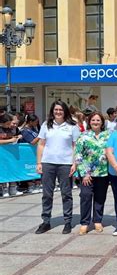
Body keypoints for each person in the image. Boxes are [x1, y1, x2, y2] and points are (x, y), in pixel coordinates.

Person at [35, 101, 80, 234]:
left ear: (65, 111)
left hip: (65, 164)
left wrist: (74, 163)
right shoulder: (46, 125)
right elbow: (41, 144)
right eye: (56, 110)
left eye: (61, 110)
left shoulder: (72, 126)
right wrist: (39, 163)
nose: (58, 112)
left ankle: (67, 222)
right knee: (47, 194)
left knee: (66, 193)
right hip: (48, 163)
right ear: (52, 111)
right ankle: (46, 221)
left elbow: (75, 146)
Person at [75, 112, 110, 235]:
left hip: (103, 172)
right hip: (87, 174)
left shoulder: (107, 135)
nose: (95, 122)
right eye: (93, 120)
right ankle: (84, 222)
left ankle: (97, 220)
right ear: (89, 122)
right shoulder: (83, 136)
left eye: (98, 120)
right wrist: (84, 173)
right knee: (85, 196)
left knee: (100, 197)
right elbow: (78, 155)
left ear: (102, 122)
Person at [0, 113, 24, 197]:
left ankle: (13, 188)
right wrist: (10, 140)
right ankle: (4, 190)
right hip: (2, 154)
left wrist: (18, 137)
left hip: (11, 154)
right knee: (3, 171)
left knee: (12, 169)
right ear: (2, 122)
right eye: (7, 123)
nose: (9, 125)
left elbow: (16, 135)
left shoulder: (11, 129)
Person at [20, 114, 42, 194]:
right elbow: (32, 142)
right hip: (27, 154)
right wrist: (41, 135)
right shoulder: (25, 131)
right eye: (35, 122)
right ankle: (30, 186)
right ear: (30, 122)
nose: (37, 123)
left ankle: (38, 184)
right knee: (28, 169)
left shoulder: (33, 129)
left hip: (35, 154)